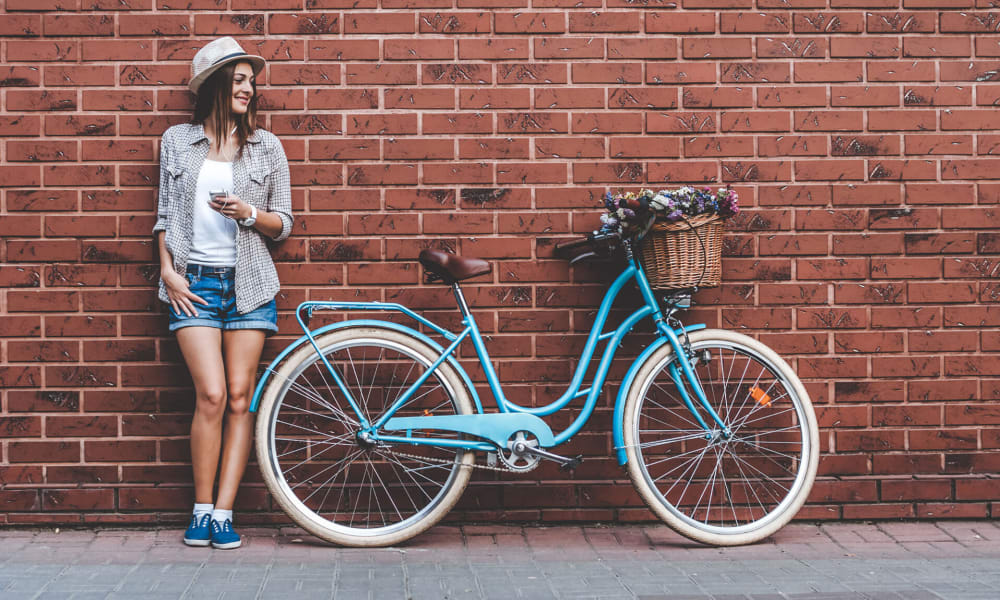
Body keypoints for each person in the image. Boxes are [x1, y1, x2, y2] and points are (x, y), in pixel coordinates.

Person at [153, 37, 293, 549]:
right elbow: (165, 216)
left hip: (250, 285)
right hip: (195, 285)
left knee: (239, 398)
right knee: (210, 394)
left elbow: (284, 225)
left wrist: (248, 214)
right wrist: (168, 270)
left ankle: (224, 515)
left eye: (251, 82)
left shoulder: (267, 147)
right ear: (214, 84)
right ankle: (200, 507)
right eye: (239, 80)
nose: (249, 89)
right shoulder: (176, 142)